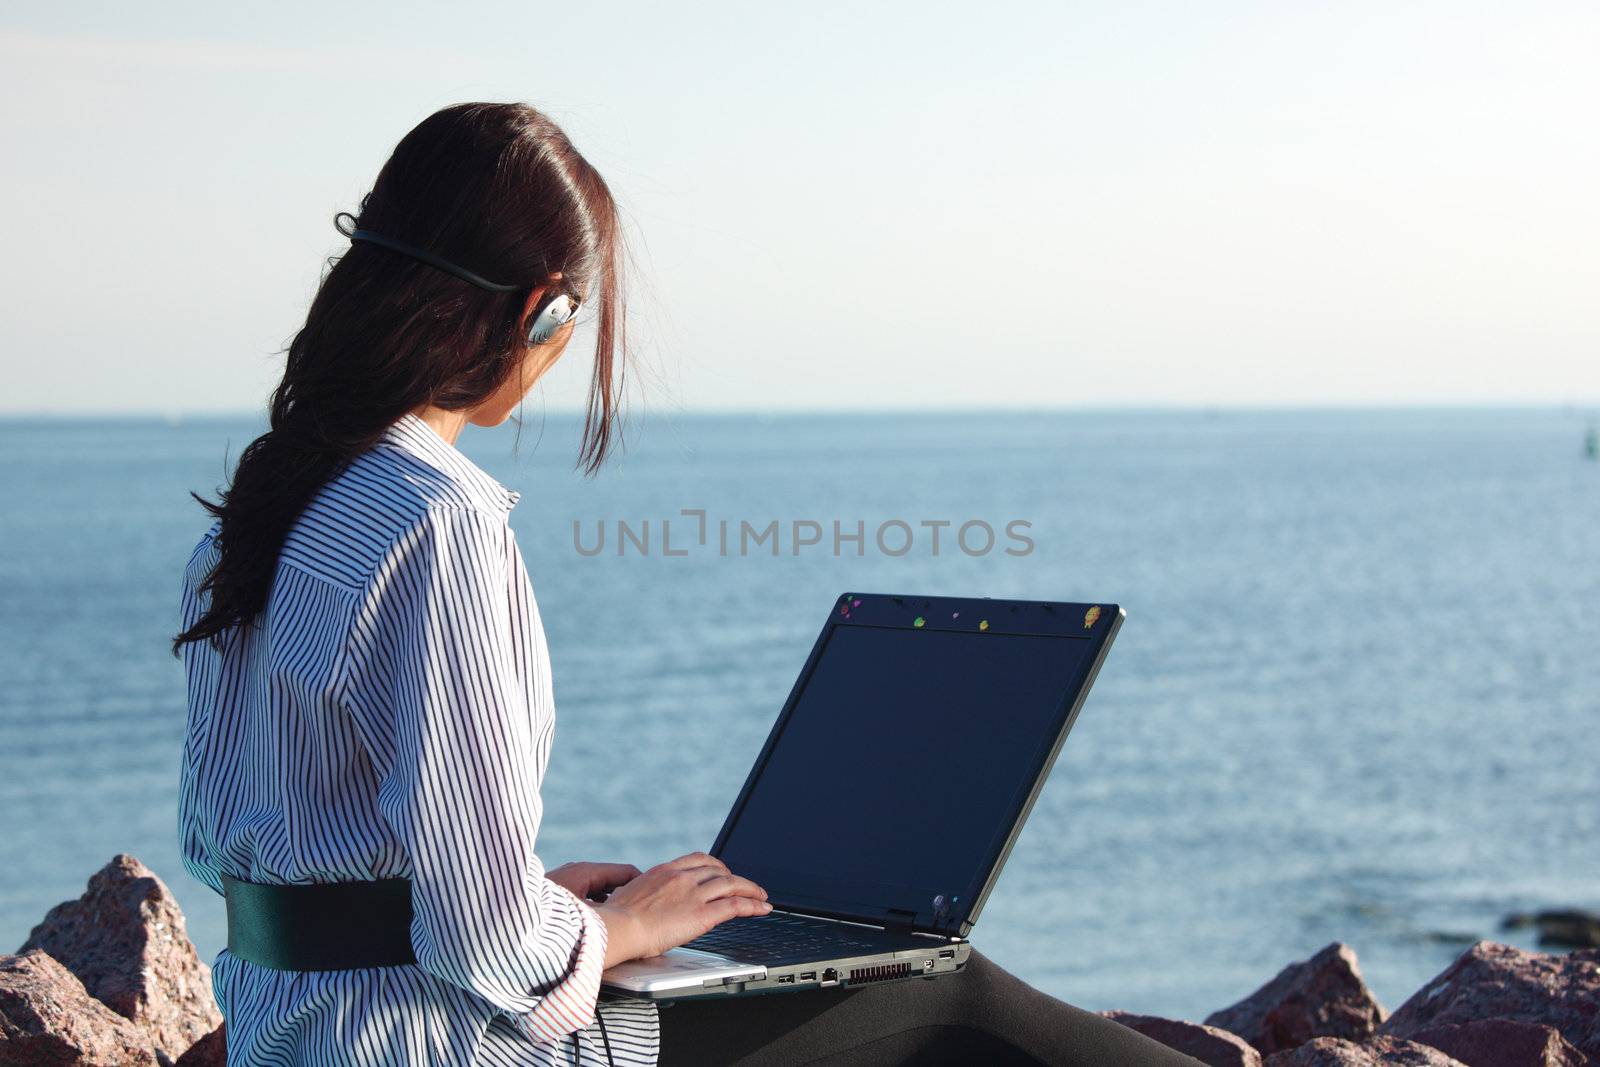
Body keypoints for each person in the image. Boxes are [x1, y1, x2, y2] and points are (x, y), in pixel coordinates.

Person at [172, 101, 1202, 1067]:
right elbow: (487, 944)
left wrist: (545, 904)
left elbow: (223, 850)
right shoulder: (439, 522)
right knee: (947, 991)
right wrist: (613, 928)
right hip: (442, 1041)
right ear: (542, 311)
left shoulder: (263, 508)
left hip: (293, 1031)